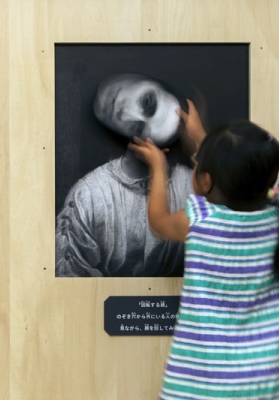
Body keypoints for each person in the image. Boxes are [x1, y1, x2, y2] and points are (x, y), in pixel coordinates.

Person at [129, 101, 279, 400]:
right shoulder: (276, 216)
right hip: (263, 380)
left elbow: (158, 221)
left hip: (210, 383)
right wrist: (204, 140)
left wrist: (157, 167)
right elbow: (240, 178)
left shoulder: (199, 218)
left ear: (205, 181)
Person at [56, 74, 193, 277]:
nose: (126, 114)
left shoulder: (191, 189)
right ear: (152, 79)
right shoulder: (89, 195)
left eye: (138, 128)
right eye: (147, 102)